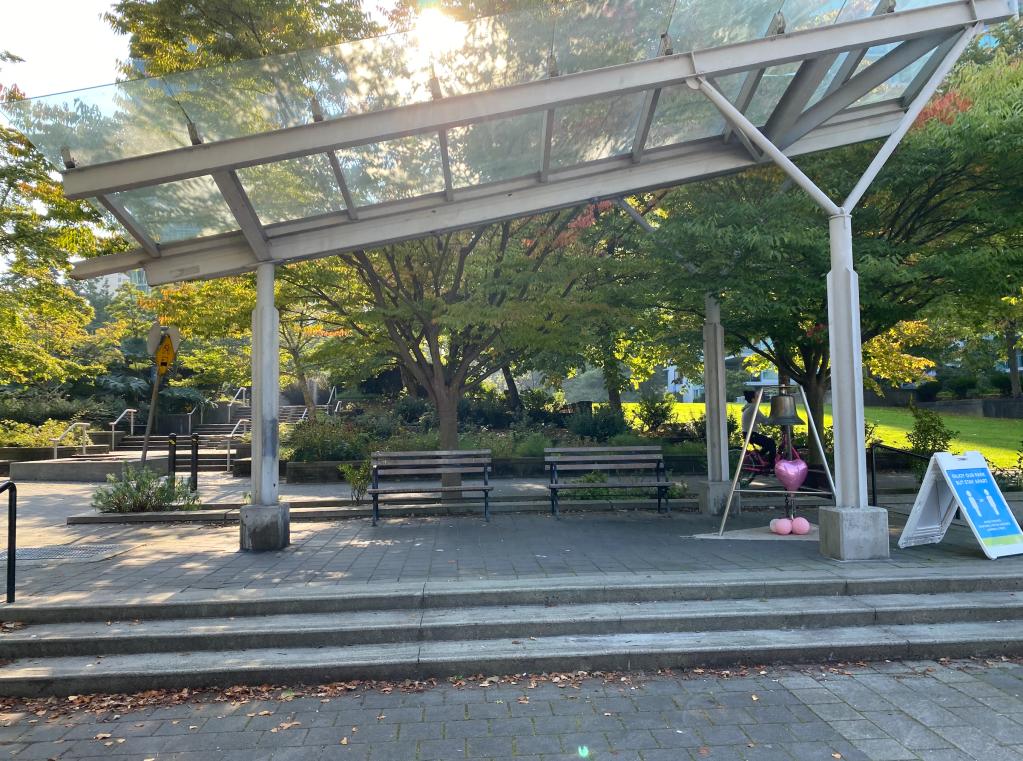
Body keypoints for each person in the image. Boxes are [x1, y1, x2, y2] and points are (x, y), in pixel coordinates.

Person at [741, 390, 777, 468]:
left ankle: (757, 457)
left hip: (748, 433)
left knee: (768, 444)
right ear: (753, 399)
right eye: (757, 396)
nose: (760, 398)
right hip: (751, 434)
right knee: (772, 444)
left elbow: (761, 421)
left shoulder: (749, 407)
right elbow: (764, 420)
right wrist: (776, 420)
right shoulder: (753, 407)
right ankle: (771, 467)